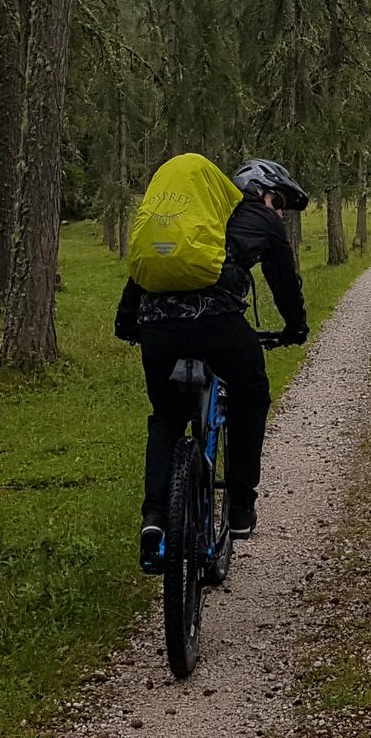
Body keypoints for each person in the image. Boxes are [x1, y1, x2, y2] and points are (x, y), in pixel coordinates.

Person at [115, 157, 309, 571]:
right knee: (251, 395)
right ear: (263, 191)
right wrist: (295, 328)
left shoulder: (196, 221)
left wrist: (127, 323)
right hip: (219, 327)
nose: (280, 212)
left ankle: (154, 519)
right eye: (280, 202)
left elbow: (143, 274)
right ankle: (239, 508)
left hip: (157, 331)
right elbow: (284, 283)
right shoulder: (259, 219)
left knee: (166, 417)